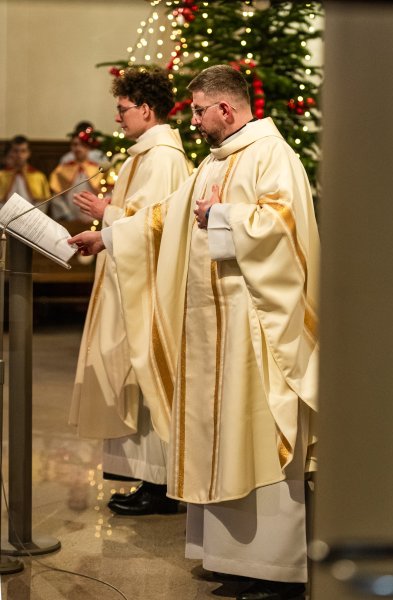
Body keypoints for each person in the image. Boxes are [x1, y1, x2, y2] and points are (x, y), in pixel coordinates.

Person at [69, 64, 319, 600]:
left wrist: (225, 216)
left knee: (255, 441)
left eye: (201, 111)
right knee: (216, 441)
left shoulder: (272, 154)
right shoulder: (213, 161)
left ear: (225, 108)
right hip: (210, 333)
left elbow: (285, 225)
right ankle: (232, 559)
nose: (196, 121)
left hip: (254, 333)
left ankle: (275, 571)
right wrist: (107, 237)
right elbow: (163, 217)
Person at [69, 66, 191, 515]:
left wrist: (107, 219)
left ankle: (161, 487)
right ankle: (150, 479)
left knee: (144, 380)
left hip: (148, 291)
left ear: (146, 108)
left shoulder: (162, 158)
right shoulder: (148, 153)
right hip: (130, 281)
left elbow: (157, 227)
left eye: (123, 109)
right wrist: (109, 216)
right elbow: (145, 217)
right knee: (132, 383)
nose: (117, 117)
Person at [0, 135, 50, 207]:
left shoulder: (38, 176)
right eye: (15, 151)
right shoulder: (2, 175)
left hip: (31, 212)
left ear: (28, 153)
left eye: (23, 151)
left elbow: (43, 202)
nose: (19, 155)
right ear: (10, 153)